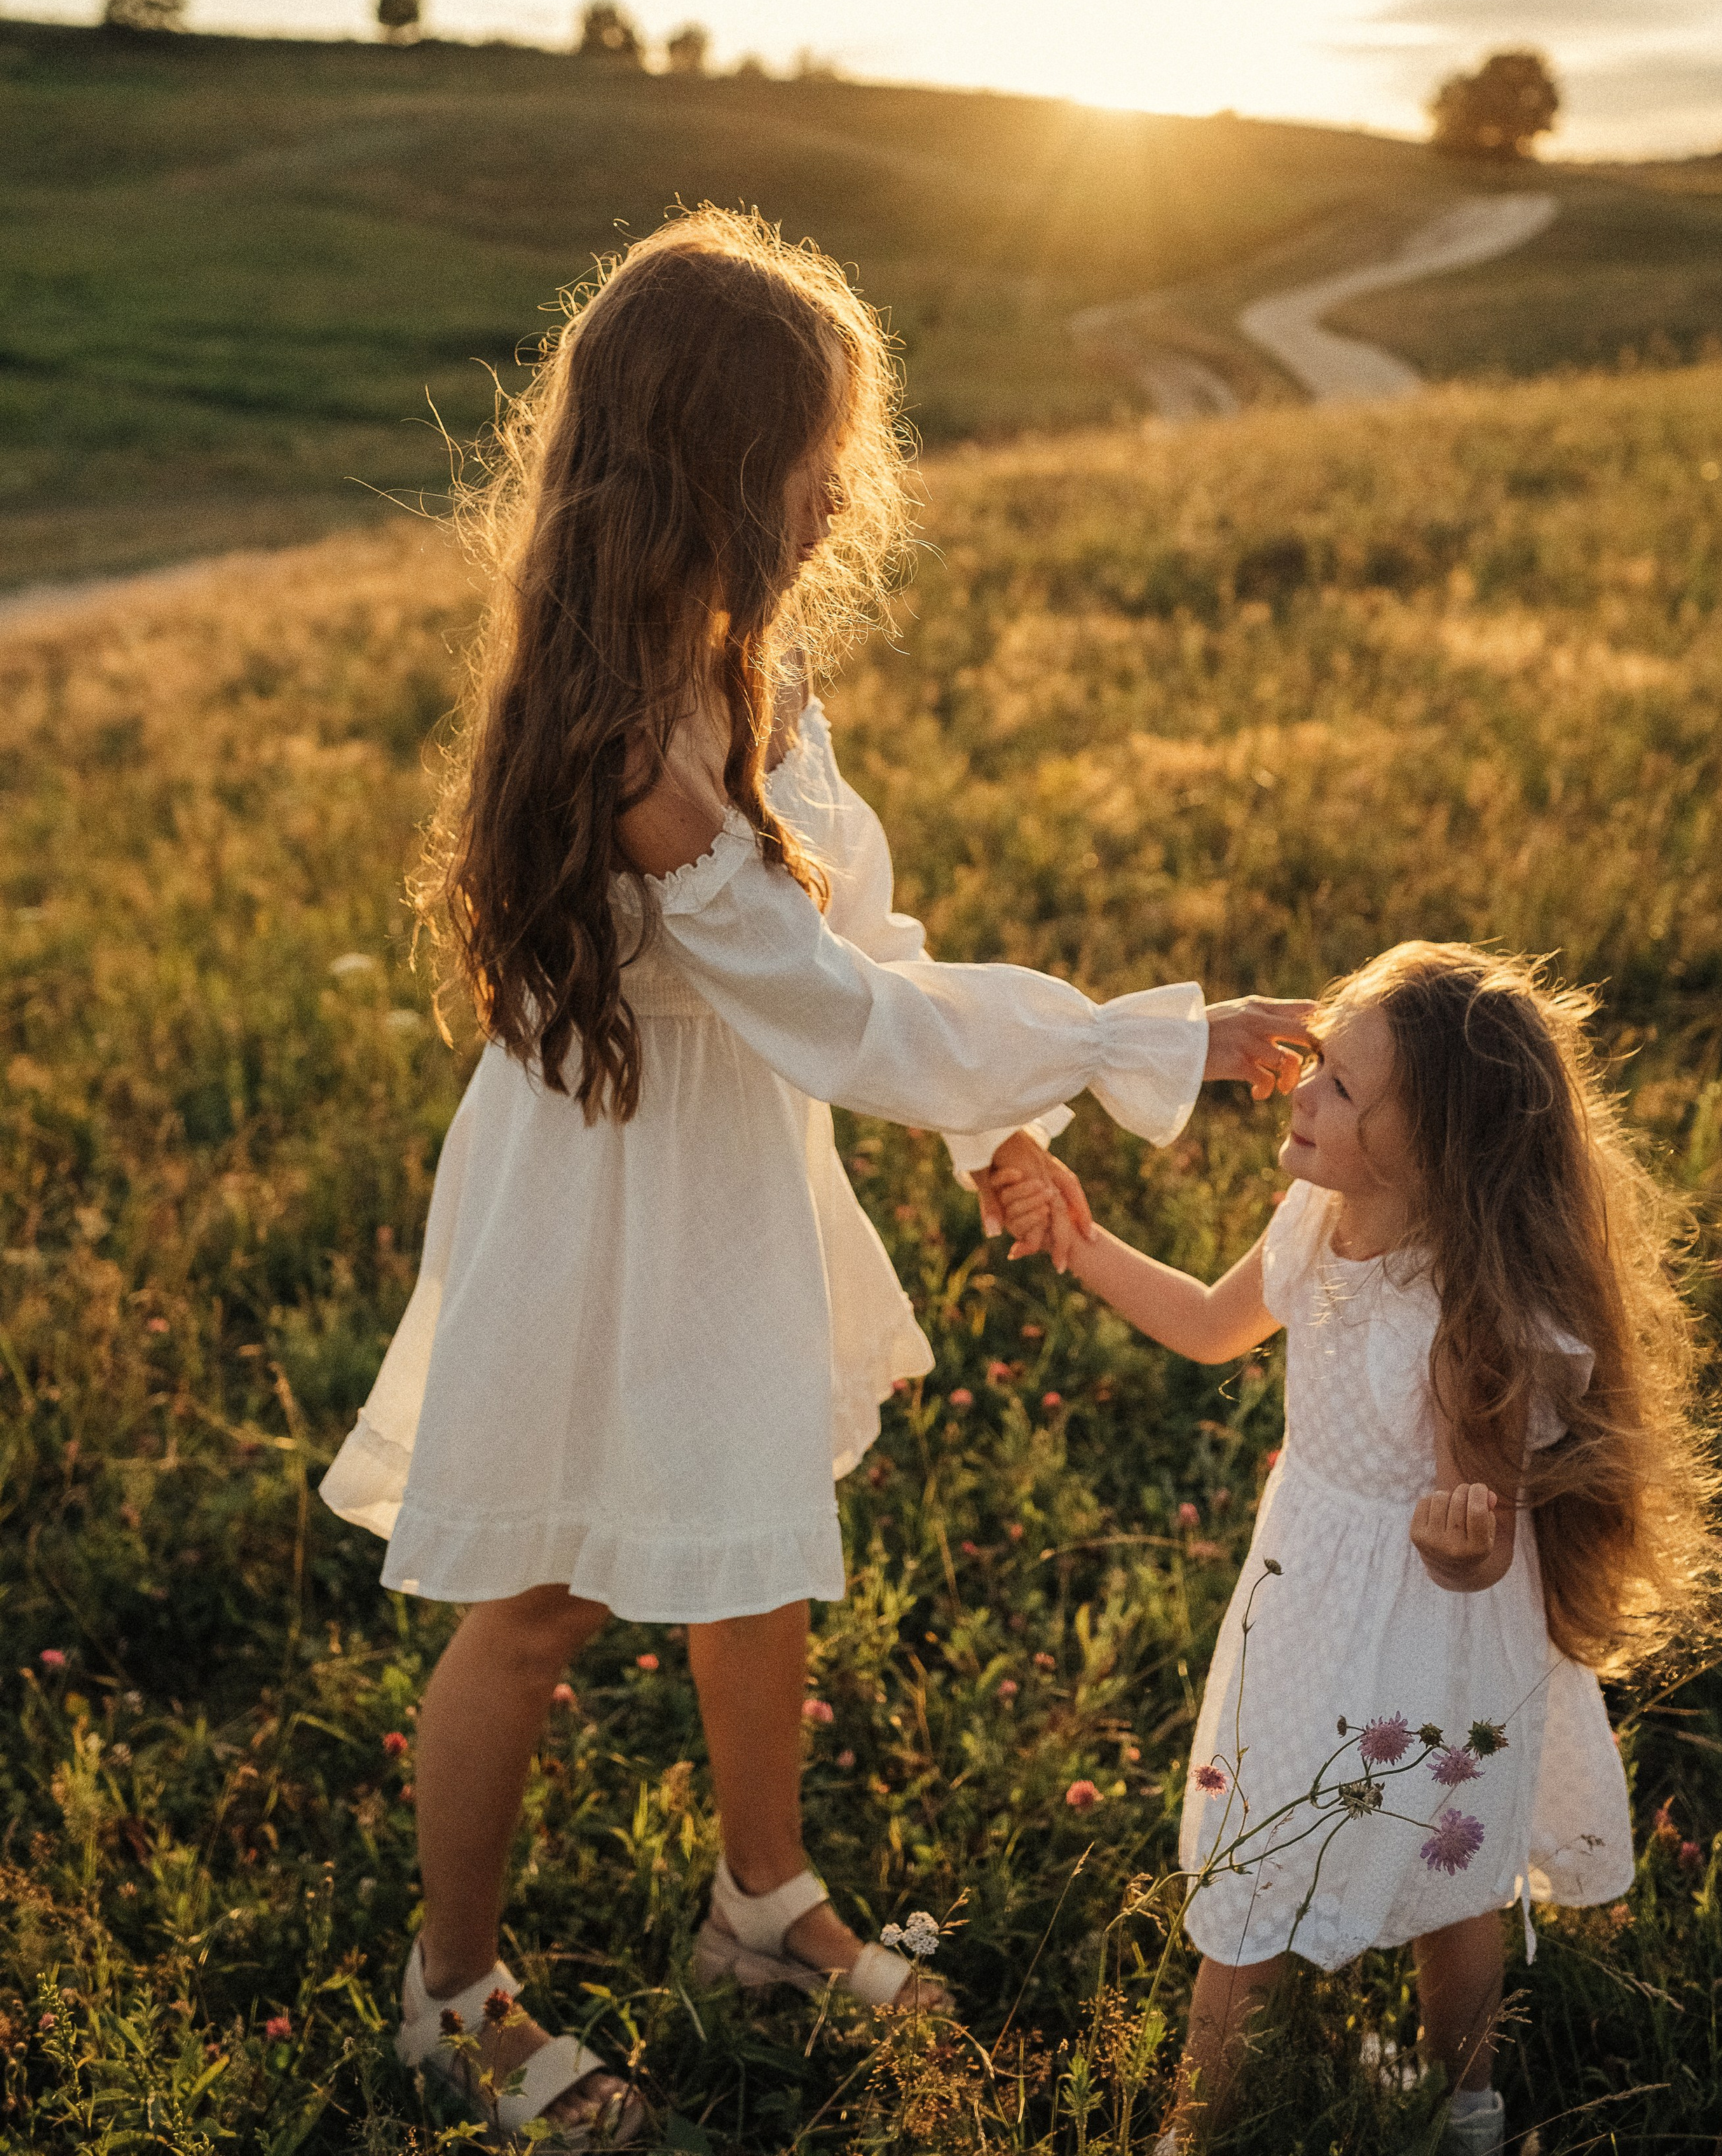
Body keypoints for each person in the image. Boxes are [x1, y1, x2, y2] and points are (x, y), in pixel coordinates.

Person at [319, 206, 1312, 2145]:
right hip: (600, 1205)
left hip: (727, 1188)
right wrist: (1146, 1039)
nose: (839, 485)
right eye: (812, 449)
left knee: (752, 1539)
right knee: (534, 1605)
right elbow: (846, 1022)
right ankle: (451, 1998)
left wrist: (990, 1122)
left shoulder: (741, 678)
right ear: (713, 457)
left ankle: (758, 1902)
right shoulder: (634, 750)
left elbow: (874, 950)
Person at [992, 941, 1722, 2156]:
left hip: (1429, 1630)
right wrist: (1077, 1237)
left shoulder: (1467, 1311)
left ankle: (1466, 2102)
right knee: (1255, 1866)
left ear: (1435, 1143)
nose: (1297, 1092)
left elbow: (1480, 1532)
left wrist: (1457, 1555)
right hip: (1304, 1596)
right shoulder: (1314, 1214)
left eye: (1339, 1087)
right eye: (1319, 1067)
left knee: (1452, 1873)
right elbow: (1205, 1325)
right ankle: (1206, 2122)